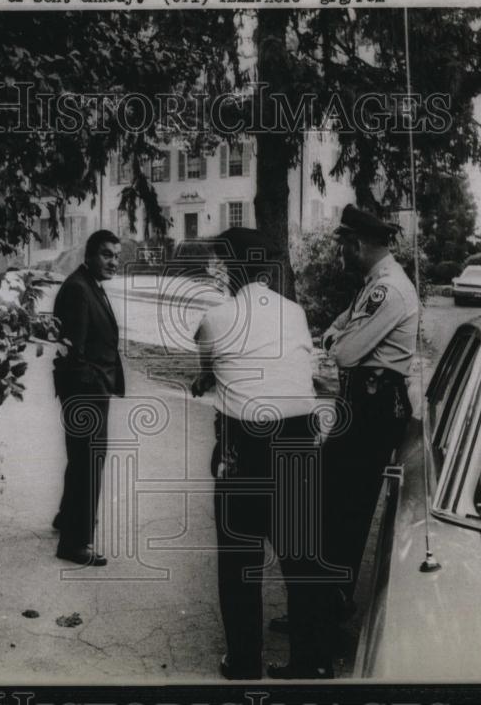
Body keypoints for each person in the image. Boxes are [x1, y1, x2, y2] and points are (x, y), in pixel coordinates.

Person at [192, 228, 333, 680]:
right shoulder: (295, 313)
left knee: (239, 558)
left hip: (246, 445)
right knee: (302, 559)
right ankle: (311, 661)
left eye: (219, 262)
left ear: (230, 268)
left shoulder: (216, 317)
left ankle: (245, 661)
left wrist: (209, 378)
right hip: (298, 442)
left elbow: (209, 365)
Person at [320, 204, 418, 613]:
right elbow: (335, 331)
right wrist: (337, 339)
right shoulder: (374, 283)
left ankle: (329, 608)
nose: (339, 253)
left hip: (373, 409)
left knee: (346, 509)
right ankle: (321, 603)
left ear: (357, 245)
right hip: (361, 404)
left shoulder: (388, 289)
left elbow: (343, 350)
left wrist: (338, 341)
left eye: (343, 245)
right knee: (330, 502)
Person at [51, 230, 124, 567]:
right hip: (86, 392)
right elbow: (73, 352)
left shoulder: (87, 284)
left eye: (116, 255)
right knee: (88, 462)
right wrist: (91, 391)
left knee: (82, 459)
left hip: (91, 390)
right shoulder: (78, 290)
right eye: (107, 255)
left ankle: (67, 518)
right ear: (91, 255)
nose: (113, 261)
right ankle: (75, 543)